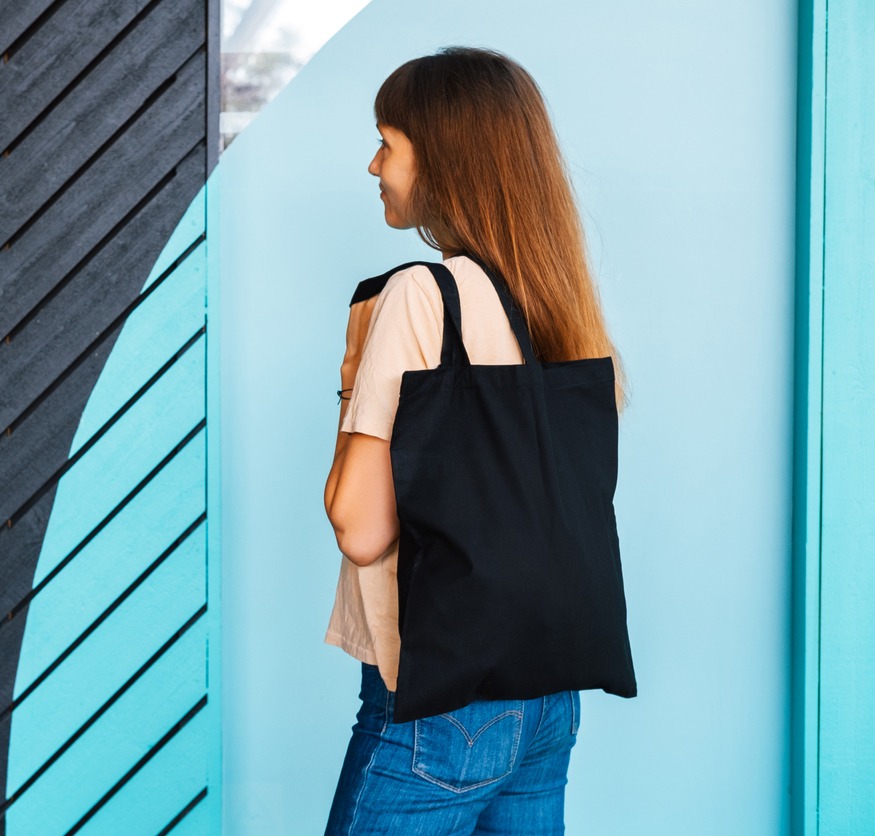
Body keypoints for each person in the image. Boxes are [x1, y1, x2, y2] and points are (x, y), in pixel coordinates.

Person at [321, 47, 623, 835]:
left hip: (438, 702)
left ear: (442, 158)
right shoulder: (559, 300)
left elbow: (361, 527)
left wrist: (357, 372)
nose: (373, 164)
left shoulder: (423, 295)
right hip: (548, 699)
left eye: (388, 142)